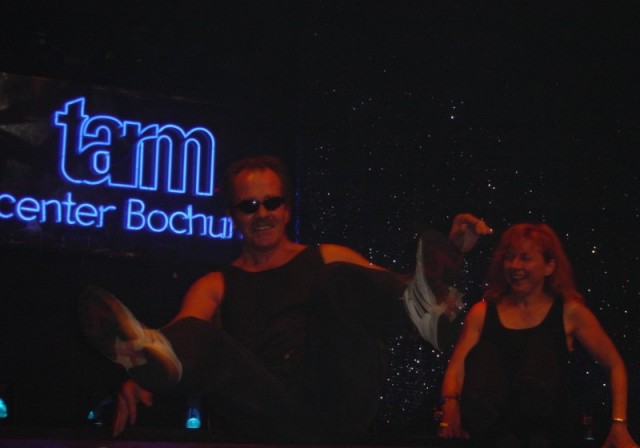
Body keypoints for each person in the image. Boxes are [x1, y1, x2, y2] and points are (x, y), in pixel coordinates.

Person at [78, 155, 492, 443]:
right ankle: (145, 352)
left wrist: (450, 252)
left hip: (335, 397)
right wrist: (143, 368)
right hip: (269, 411)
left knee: (337, 278)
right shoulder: (216, 283)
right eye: (249, 206)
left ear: (287, 210)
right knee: (199, 336)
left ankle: (424, 303)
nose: (262, 214)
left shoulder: (325, 256)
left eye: (272, 203)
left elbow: (382, 291)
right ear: (233, 216)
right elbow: (189, 334)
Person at [438, 223, 638, 448]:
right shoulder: (482, 313)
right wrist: (450, 405)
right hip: (491, 437)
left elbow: (614, 364)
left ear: (549, 266)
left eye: (525, 258)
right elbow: (457, 368)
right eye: (510, 257)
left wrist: (619, 424)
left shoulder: (569, 313)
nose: (515, 265)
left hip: (548, 437)